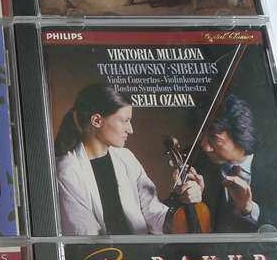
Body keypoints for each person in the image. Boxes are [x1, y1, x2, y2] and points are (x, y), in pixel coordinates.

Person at [54, 84, 203, 236]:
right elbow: (86, 236)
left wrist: (183, 201)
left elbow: (154, 214)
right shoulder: (67, 171)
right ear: (97, 120)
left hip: (143, 249)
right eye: (125, 121)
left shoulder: (126, 157)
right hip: (106, 252)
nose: (130, 129)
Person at [193, 94, 277, 232]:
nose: (205, 146)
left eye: (214, 139)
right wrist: (192, 202)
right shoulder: (198, 165)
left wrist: (249, 208)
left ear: (239, 135)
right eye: (202, 136)